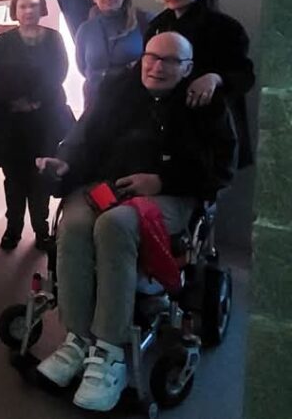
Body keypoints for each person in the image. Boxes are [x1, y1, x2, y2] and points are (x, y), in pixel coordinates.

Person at [33, 32, 236, 412]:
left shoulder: (205, 104)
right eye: (151, 57)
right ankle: (77, 339)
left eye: (170, 61)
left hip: (170, 195)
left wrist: (162, 181)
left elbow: (222, 168)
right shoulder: (116, 90)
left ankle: (109, 351)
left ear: (188, 68)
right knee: (73, 225)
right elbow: (82, 136)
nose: (157, 66)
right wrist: (65, 163)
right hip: (104, 185)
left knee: (115, 225)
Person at [0, 0, 73, 252]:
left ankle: (41, 229)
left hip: (45, 118)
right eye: (23, 6)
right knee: (13, 178)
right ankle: (13, 228)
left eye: (33, 5)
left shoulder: (54, 38)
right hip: (12, 120)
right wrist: (15, 101)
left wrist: (34, 100)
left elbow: (59, 73)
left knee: (40, 175)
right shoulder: (4, 41)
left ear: (41, 8)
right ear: (15, 10)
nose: (28, 11)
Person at [145, 0, 255, 168]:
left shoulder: (226, 27)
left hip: (211, 121)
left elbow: (245, 75)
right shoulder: (156, 25)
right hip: (168, 119)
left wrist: (215, 78)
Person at [74, 0, 151, 108]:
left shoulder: (144, 20)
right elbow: (82, 67)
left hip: (134, 100)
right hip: (95, 102)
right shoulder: (85, 29)